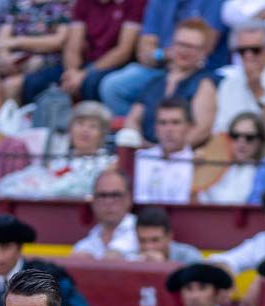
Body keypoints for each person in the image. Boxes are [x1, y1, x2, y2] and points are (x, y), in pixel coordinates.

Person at [122, 17, 217, 148]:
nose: (184, 51)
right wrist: (140, 144)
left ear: (203, 52)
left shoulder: (204, 83)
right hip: (146, 154)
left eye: (192, 47)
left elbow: (202, 129)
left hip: (183, 159)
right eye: (181, 44)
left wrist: (169, 152)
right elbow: (133, 119)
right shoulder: (156, 82)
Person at [55, 0, 143, 102]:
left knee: (90, 83)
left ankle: (90, 117)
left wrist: (83, 74)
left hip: (116, 65)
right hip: (86, 64)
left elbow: (123, 51)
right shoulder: (83, 3)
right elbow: (72, 46)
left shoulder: (135, 2)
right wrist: (71, 73)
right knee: (38, 81)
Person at [0, 0, 70, 104]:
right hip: (16, 62)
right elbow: (0, 42)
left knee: (11, 85)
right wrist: (6, 58)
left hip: (47, 64)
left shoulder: (60, 7)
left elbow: (58, 41)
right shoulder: (17, 6)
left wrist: (18, 41)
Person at [132, 96, 195, 204]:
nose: (169, 129)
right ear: (156, 127)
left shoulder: (198, 165)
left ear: (189, 127)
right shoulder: (138, 160)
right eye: (163, 123)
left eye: (176, 122)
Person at [197, 110, 265, 205]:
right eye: (235, 136)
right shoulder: (211, 164)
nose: (241, 142)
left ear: (260, 141)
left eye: (249, 137)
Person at [72, 169, 137, 260]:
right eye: (102, 195)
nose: (108, 201)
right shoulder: (84, 246)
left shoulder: (145, 234)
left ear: (129, 199)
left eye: (115, 195)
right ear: (93, 201)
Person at [134, 205, 202, 264]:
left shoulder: (189, 257)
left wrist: (164, 265)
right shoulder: (132, 258)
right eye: (142, 240)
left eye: (155, 240)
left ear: (169, 237)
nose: (148, 247)